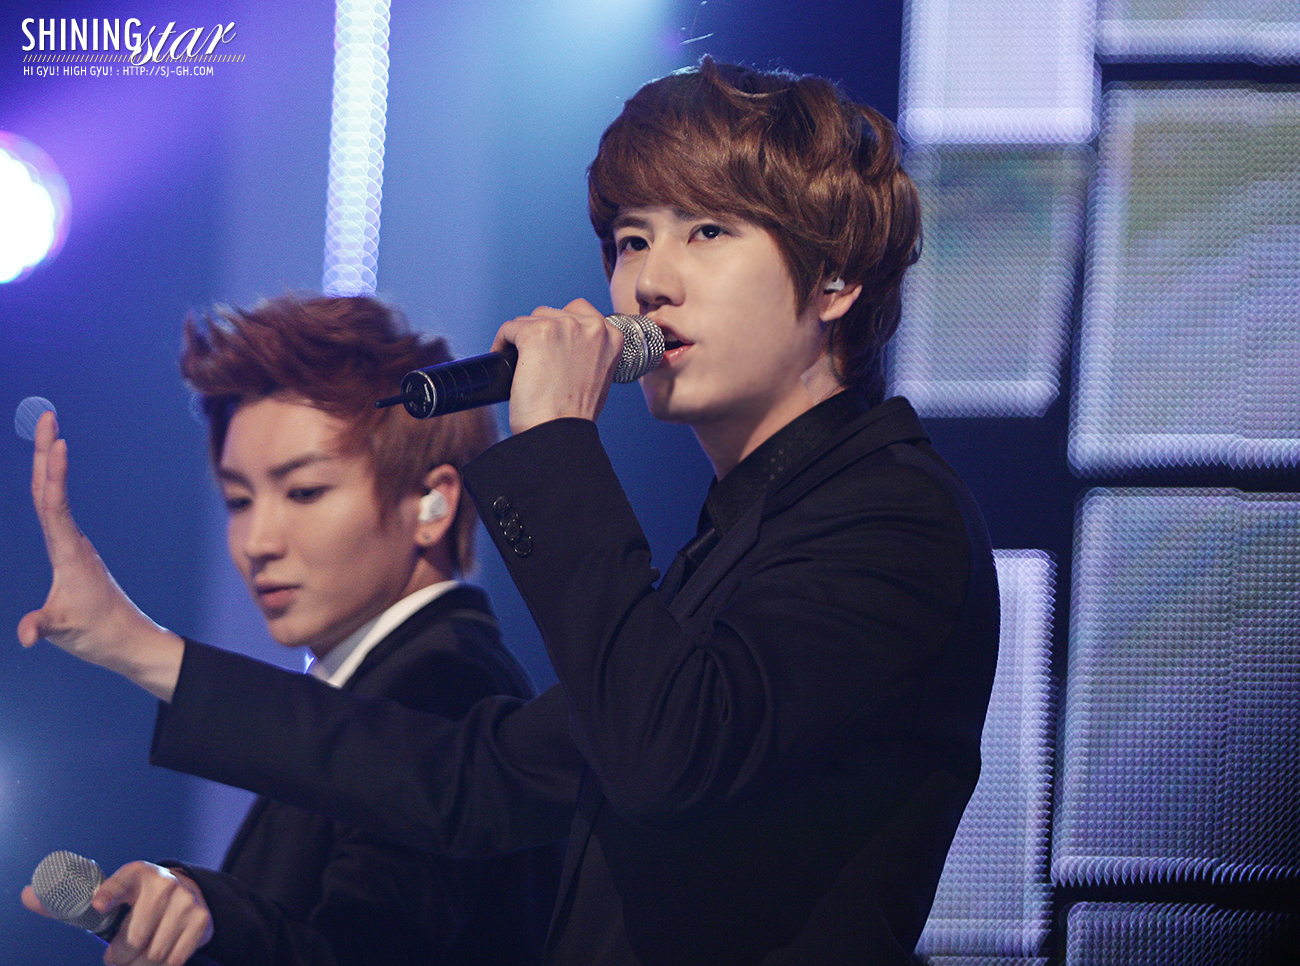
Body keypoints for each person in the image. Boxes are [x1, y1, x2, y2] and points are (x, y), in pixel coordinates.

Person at [21, 60, 999, 964]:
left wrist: (553, 445)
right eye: (631, 239)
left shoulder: (894, 518)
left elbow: (667, 758)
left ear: (834, 277)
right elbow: (471, 781)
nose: (649, 281)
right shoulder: (732, 543)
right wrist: (137, 647)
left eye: (707, 231)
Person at [22, 294, 560, 966]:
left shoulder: (444, 685)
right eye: (238, 500)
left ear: (432, 501)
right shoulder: (378, 686)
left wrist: (213, 918)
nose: (258, 542)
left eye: (304, 492)